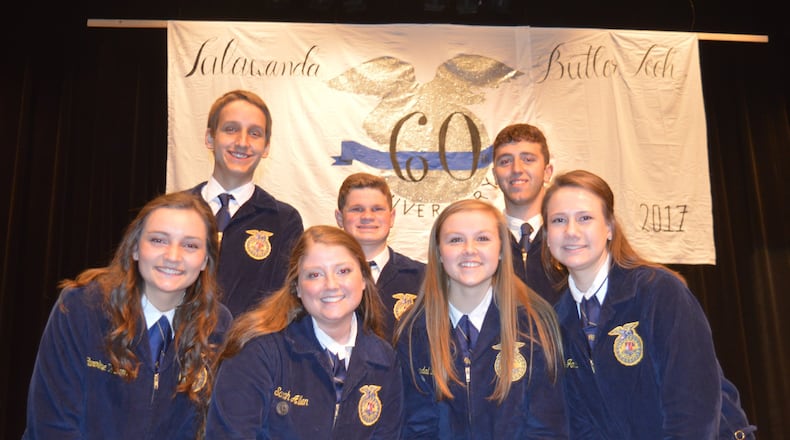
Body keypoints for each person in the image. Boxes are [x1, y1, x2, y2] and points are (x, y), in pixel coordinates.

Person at [541, 169, 757, 439]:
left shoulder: (659, 291)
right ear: (547, 235)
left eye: (585, 218)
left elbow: (693, 408)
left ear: (609, 227)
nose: (571, 231)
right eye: (559, 220)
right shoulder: (558, 321)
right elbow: (582, 424)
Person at [23, 192, 233, 439]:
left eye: (190, 245)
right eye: (158, 240)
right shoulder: (81, 307)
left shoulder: (217, 325)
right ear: (134, 248)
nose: (173, 256)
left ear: (205, 260)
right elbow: (51, 424)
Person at [206, 225, 403, 439]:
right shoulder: (258, 351)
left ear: (364, 279)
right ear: (297, 287)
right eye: (315, 274)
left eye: (343, 271)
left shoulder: (384, 361)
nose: (331, 285)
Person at [394, 198, 567, 438]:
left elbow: (547, 425)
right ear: (439, 253)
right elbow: (416, 427)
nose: (469, 249)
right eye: (455, 239)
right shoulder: (414, 331)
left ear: (501, 250)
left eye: (482, 238)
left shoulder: (534, 324)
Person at [188, 89, 304, 317]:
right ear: (210, 138)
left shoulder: (284, 221)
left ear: (267, 147)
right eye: (231, 129)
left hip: (247, 349)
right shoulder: (175, 211)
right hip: (173, 347)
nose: (242, 142)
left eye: (254, 133)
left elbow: (286, 304)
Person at [335, 172, 425, 341]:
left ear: (391, 217)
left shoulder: (423, 278)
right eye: (357, 209)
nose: (368, 217)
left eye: (377, 209)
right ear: (340, 218)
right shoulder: (321, 277)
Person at [491, 123, 562, 305]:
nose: (516, 169)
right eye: (505, 161)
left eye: (528, 159)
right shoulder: (483, 242)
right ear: (495, 175)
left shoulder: (570, 239)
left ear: (547, 172)